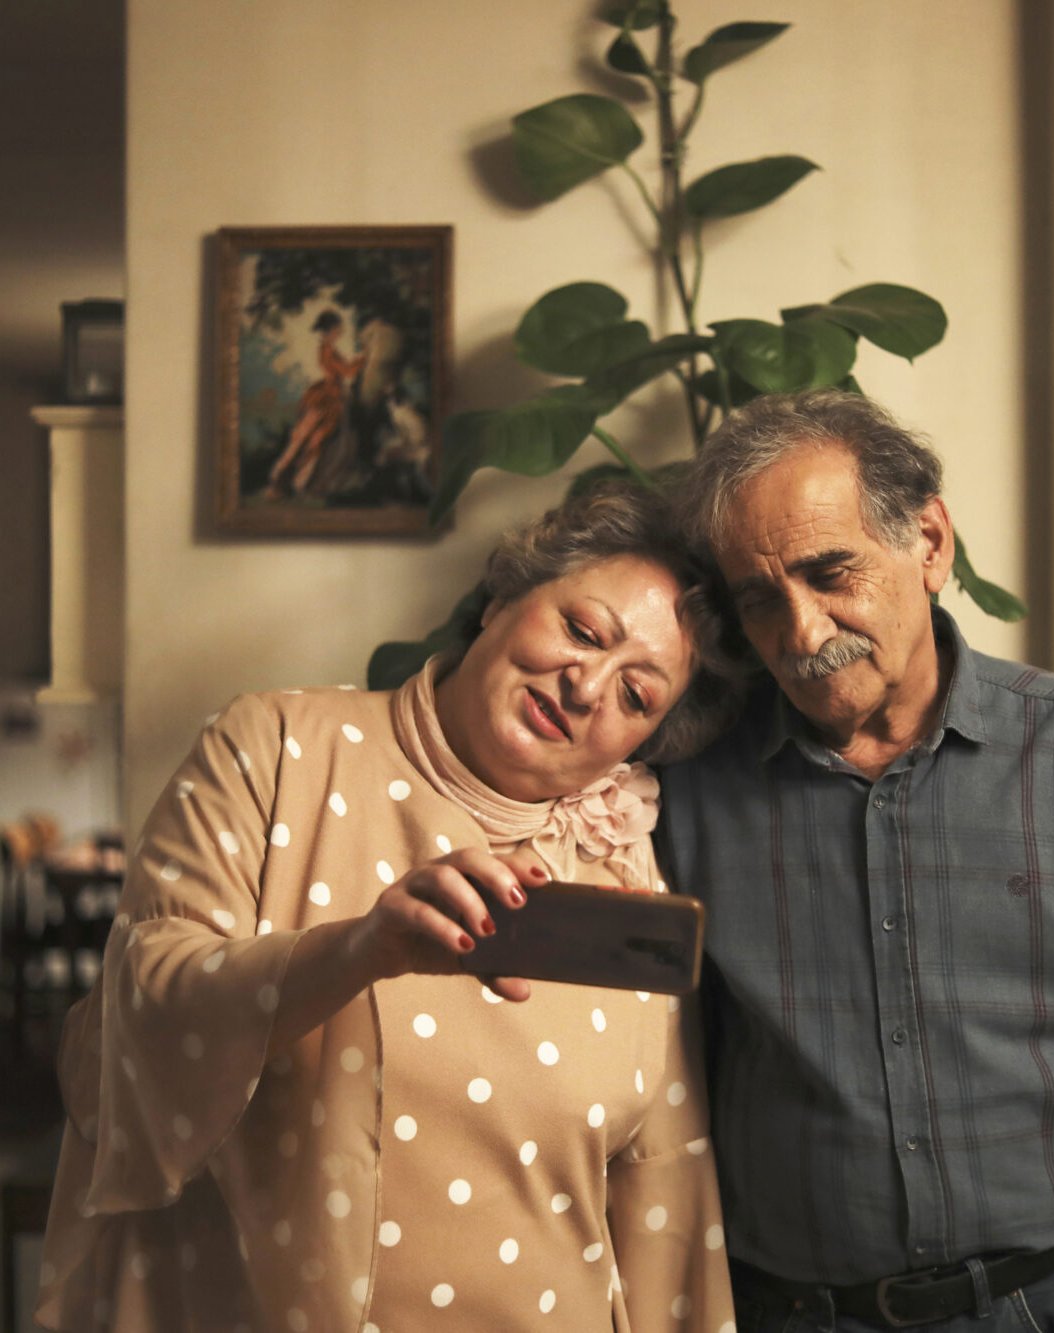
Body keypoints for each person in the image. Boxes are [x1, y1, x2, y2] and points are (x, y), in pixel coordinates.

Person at [36, 484, 743, 1332]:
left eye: (637, 695)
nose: (589, 685)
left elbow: (663, 1177)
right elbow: (142, 1011)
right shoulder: (273, 745)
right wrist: (359, 949)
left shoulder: (627, 865)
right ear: (502, 599)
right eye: (582, 631)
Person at [655, 390, 1054, 1333]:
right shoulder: (685, 786)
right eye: (761, 598)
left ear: (929, 542)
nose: (803, 632)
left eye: (829, 572)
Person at [264, 307, 367, 499]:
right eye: (338, 329)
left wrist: (356, 363)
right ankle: (284, 481)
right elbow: (348, 372)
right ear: (331, 330)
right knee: (310, 439)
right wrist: (362, 360)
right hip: (327, 397)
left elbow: (344, 370)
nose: (341, 332)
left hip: (329, 394)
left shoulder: (329, 349)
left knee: (310, 439)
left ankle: (293, 482)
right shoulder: (327, 350)